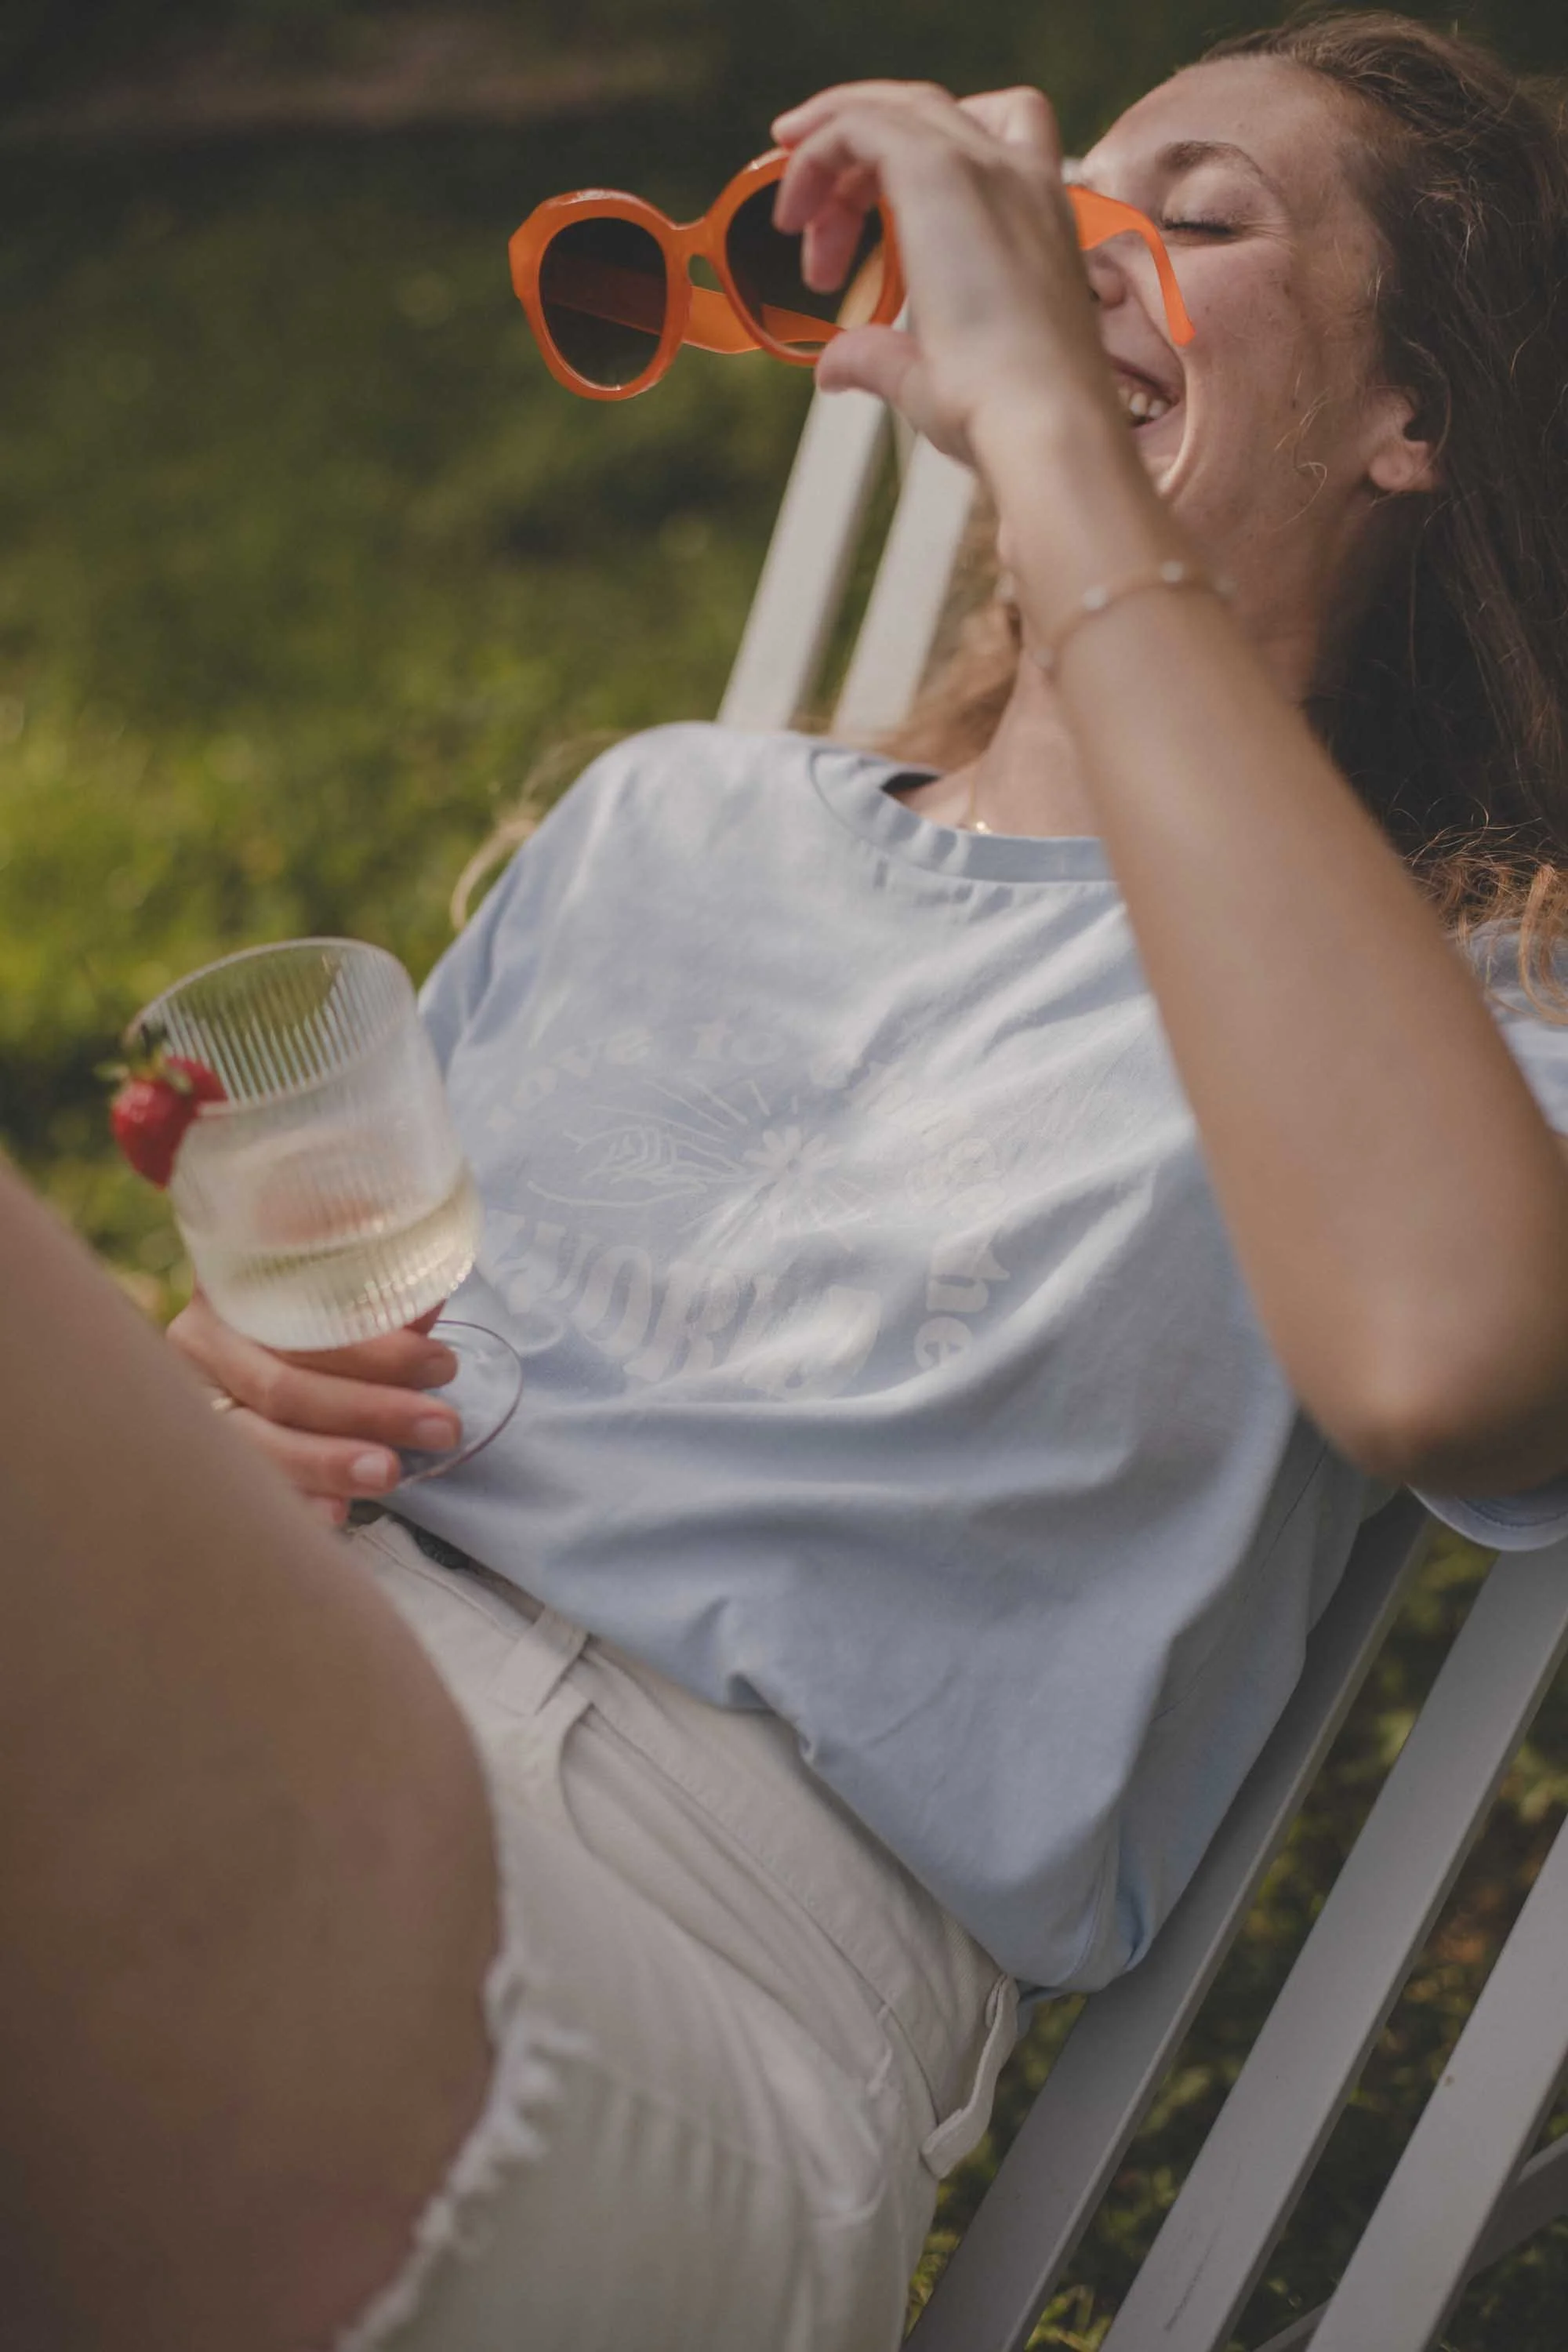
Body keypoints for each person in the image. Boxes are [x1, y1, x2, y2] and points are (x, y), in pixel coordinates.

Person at [9, 13, 1568, 2348]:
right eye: (1044, 232)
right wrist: (221, 1419)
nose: (1073, 268)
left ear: (1412, 414)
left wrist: (1056, 436)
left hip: (665, 2014)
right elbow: (326, 1362)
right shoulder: (671, 818)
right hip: (292, 1727)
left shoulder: (1459, 1038)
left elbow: (1457, 1355)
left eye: (1199, 218)